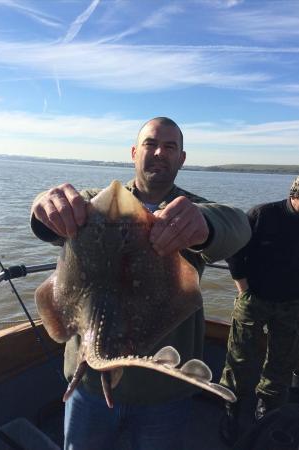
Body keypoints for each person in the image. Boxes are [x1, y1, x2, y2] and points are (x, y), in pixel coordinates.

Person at [31, 117, 251, 450]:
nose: (160, 152)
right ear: (134, 152)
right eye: (150, 144)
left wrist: (204, 225)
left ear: (182, 159)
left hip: (162, 391)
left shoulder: (189, 210)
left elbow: (239, 226)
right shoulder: (94, 205)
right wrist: (44, 206)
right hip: (87, 383)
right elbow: (48, 218)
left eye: (170, 147)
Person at [219, 176, 299, 445]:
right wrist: (243, 287)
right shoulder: (262, 214)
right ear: (294, 196)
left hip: (292, 302)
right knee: (240, 359)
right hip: (254, 298)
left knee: (282, 361)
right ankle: (231, 407)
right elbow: (234, 250)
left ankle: (267, 409)